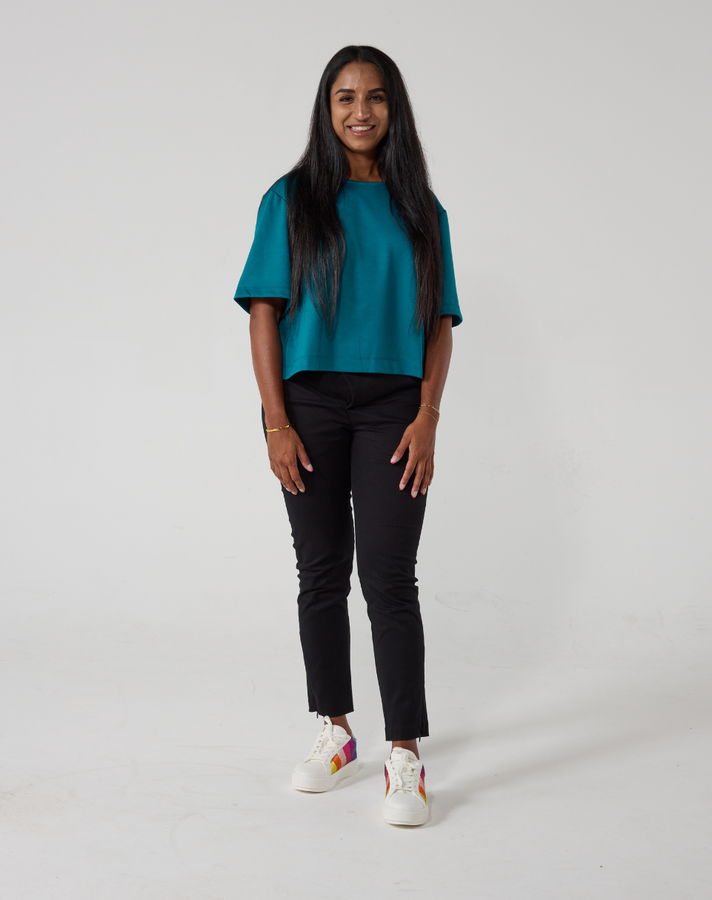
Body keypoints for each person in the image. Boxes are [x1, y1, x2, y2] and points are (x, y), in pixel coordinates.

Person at [234, 45, 461, 827]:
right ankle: (335, 731)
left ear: (394, 109)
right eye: (343, 98)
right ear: (326, 111)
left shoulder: (421, 210)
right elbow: (264, 312)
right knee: (321, 571)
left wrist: (428, 415)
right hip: (312, 402)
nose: (359, 111)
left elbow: (438, 325)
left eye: (374, 97)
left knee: (391, 578)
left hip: (396, 405)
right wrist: (276, 421)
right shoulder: (290, 200)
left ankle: (405, 752)